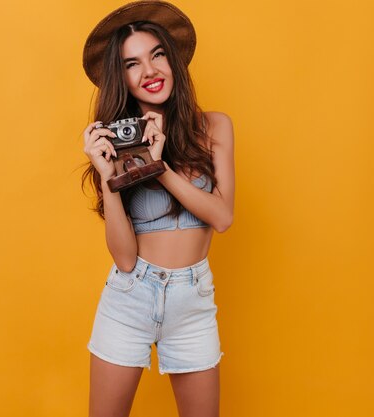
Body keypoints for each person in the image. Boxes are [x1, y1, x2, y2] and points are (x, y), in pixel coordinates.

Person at [81, 1, 235, 417]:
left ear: (173, 60)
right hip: (130, 297)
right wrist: (108, 177)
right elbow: (125, 258)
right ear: (123, 80)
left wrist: (159, 167)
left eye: (157, 55)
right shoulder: (119, 144)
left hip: (194, 301)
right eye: (132, 64)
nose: (149, 72)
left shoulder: (215, 126)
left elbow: (222, 218)